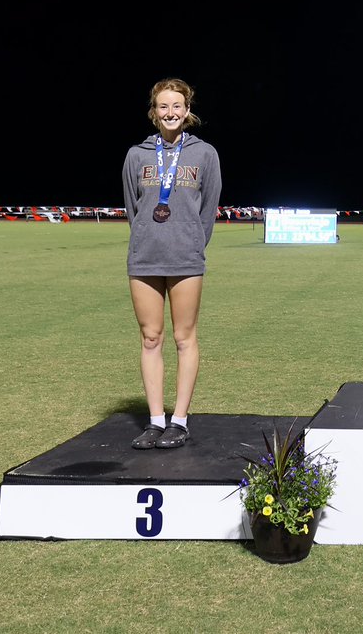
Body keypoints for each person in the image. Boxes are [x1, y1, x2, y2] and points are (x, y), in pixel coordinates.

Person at [122, 78, 222, 450]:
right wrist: (148, 236)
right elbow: (133, 207)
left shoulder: (205, 155)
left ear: (187, 109)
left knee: (184, 337)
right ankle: (154, 421)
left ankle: (179, 421)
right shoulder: (136, 155)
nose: (170, 113)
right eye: (163, 106)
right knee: (151, 338)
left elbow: (209, 208)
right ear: (154, 111)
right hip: (144, 257)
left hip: (185, 258)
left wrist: (193, 242)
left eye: (177, 106)